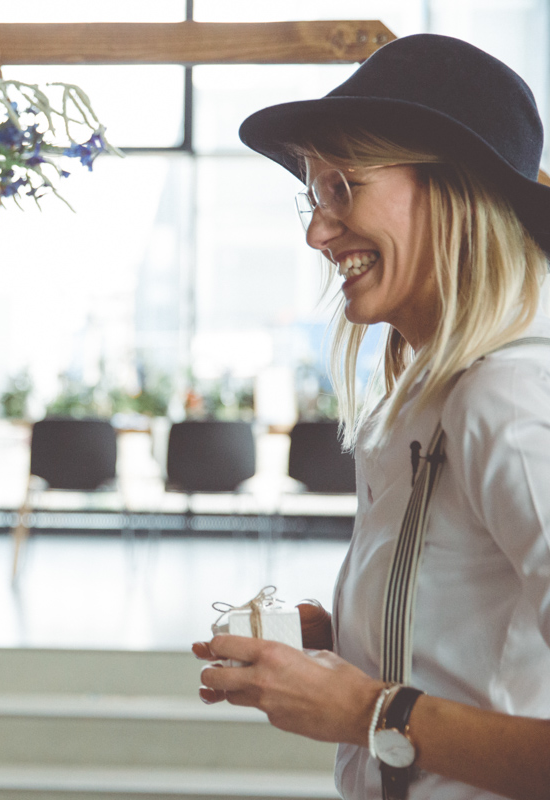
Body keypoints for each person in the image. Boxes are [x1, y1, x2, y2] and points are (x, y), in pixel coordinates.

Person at [195, 34, 550, 800]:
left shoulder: (511, 401)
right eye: (315, 195)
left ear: (453, 190)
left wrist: (368, 709)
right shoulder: (434, 391)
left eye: (342, 188)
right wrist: (352, 638)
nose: (317, 233)